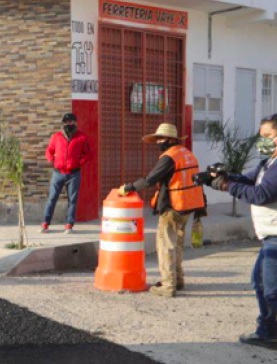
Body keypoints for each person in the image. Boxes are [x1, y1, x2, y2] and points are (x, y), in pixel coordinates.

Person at [204, 115, 277, 345]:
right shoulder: (268, 163)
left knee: (272, 291)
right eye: (261, 136)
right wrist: (218, 177)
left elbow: (261, 195)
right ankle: (267, 332)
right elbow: (247, 180)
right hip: (269, 236)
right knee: (262, 284)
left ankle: (268, 332)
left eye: (268, 136)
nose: (262, 141)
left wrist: (226, 186)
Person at [118, 123, 206, 298]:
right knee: (177, 244)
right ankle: (178, 280)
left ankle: (167, 286)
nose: (158, 141)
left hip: (173, 206)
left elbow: (150, 179)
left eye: (161, 138)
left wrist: (128, 187)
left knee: (166, 246)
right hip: (188, 205)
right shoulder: (187, 154)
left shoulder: (169, 157)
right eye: (157, 138)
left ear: (171, 139)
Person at [42, 113, 92, 233]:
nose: (68, 124)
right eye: (66, 122)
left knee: (72, 200)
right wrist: (52, 161)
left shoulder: (82, 137)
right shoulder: (56, 137)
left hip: (74, 174)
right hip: (58, 173)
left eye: (70, 122)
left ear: (75, 123)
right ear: (63, 124)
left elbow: (89, 153)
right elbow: (49, 151)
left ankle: (69, 224)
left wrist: (80, 162)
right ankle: (45, 224)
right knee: (52, 198)